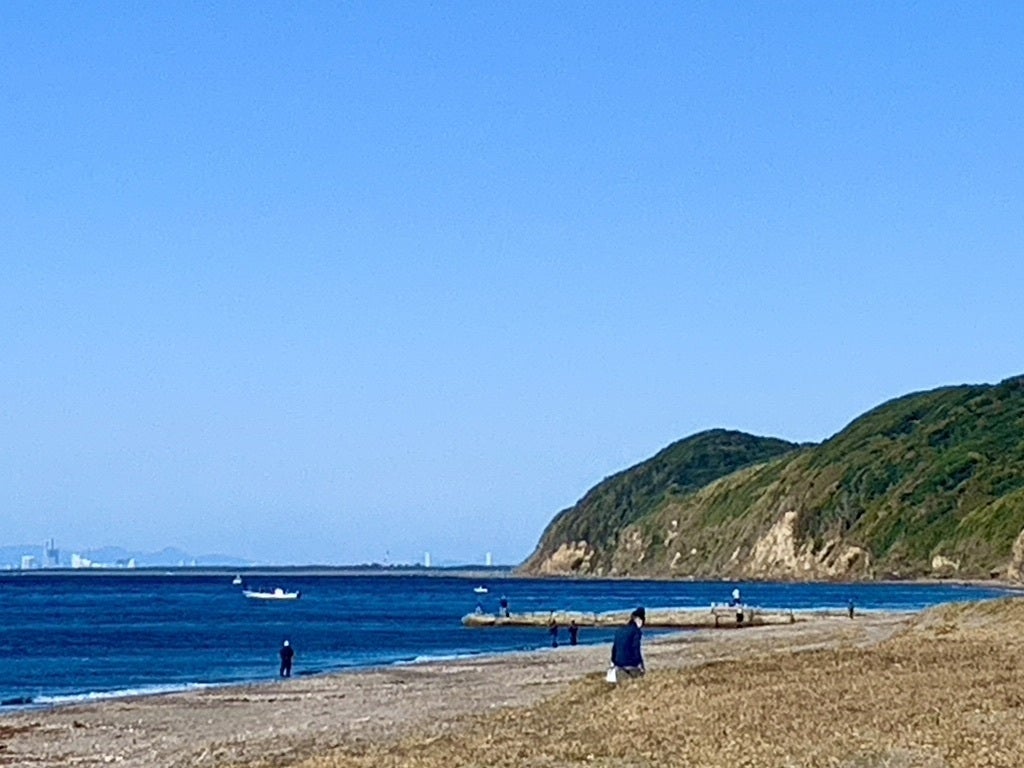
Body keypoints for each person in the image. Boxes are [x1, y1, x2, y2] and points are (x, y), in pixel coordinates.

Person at [610, 607, 645, 678]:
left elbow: (614, 648)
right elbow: (636, 649)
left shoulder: (619, 630)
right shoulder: (636, 631)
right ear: (638, 619)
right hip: (631, 665)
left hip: (618, 665)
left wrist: (613, 662)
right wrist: (640, 664)